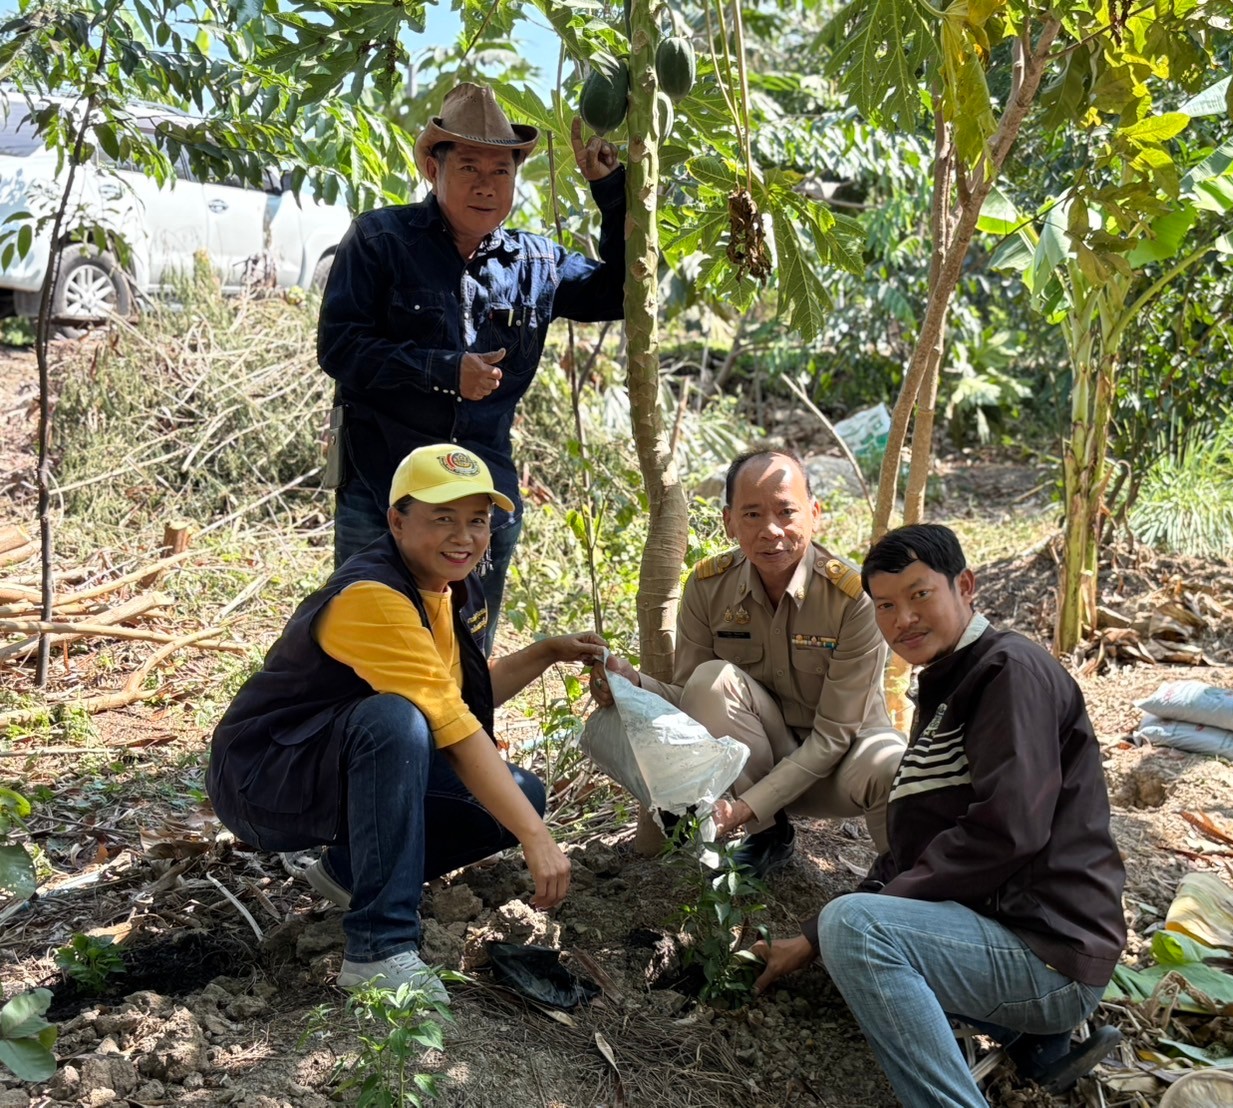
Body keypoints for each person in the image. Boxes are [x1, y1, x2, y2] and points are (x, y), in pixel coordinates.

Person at [208, 444, 601, 1002]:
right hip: (264, 779)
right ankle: (379, 948)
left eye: (477, 521)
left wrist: (544, 653)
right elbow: (453, 729)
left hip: (327, 764)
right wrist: (537, 841)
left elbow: (460, 697)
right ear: (396, 520)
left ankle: (347, 874)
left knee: (519, 795)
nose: (463, 537)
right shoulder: (373, 596)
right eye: (442, 518)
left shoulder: (445, 587)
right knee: (397, 720)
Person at [751, 524, 1127, 1107]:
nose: (903, 619)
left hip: (1047, 952)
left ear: (966, 586)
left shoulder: (1008, 673)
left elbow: (1009, 829)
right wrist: (809, 937)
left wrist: (837, 927)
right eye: (886, 606)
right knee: (845, 935)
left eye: (920, 595)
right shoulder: (948, 685)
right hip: (1004, 936)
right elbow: (914, 852)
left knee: (857, 929)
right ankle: (1030, 1041)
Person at [318, 81, 626, 642]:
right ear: (433, 171)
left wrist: (610, 191)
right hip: (384, 484)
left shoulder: (536, 261)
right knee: (366, 639)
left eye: (501, 171)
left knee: (465, 646)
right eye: (469, 168)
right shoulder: (379, 239)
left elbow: (620, 293)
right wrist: (442, 369)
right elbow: (339, 347)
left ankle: (463, 729)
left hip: (481, 494)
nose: (486, 185)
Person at [593, 449, 904, 877]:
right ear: (729, 522)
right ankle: (769, 836)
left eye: (786, 511)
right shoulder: (708, 588)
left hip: (841, 767)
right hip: (756, 764)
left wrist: (740, 809)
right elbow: (693, 700)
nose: (771, 530)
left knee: (893, 764)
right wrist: (634, 684)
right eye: (753, 515)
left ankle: (906, 881)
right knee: (711, 678)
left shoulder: (853, 599)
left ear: (815, 513)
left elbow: (833, 738)